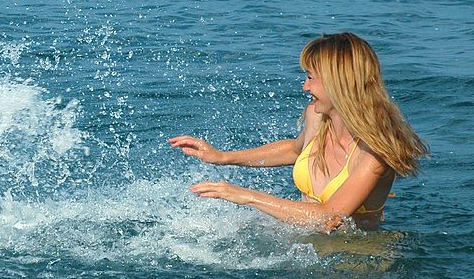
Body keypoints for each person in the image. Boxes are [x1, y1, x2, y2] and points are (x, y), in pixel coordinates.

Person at [169, 32, 428, 232]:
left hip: (354, 260)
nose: (305, 87)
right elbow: (296, 149)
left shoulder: (375, 152)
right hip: (300, 244)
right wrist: (223, 157)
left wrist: (243, 195)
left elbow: (330, 215)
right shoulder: (317, 115)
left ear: (338, 82)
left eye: (311, 77)